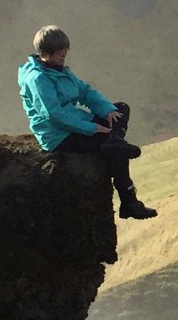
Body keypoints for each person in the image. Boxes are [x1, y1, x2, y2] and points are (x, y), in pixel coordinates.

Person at [18, 25, 158, 219]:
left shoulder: (60, 70)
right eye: (60, 52)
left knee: (120, 109)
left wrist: (107, 110)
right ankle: (129, 203)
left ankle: (113, 141)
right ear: (45, 52)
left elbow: (85, 92)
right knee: (117, 153)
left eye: (65, 50)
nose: (64, 55)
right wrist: (91, 128)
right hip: (58, 135)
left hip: (77, 121)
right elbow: (54, 115)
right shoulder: (37, 79)